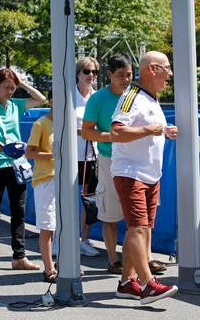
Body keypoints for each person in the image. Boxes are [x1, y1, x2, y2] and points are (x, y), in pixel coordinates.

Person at [110, 51, 178, 305]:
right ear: (152, 69)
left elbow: (149, 131)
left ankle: (127, 282)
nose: (170, 73)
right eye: (167, 68)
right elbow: (116, 132)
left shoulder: (152, 99)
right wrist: (151, 129)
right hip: (131, 173)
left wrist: (165, 131)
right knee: (139, 228)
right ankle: (148, 284)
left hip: (149, 175)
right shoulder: (132, 97)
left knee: (139, 229)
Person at [0, 67, 46, 270]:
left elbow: (40, 99)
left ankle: (19, 256)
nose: (10, 92)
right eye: (6, 87)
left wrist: (21, 83)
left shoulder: (15, 105)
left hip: (17, 164)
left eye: (12, 88)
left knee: (18, 211)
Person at [82, 52, 133, 274]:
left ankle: (145, 259)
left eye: (130, 74)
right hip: (109, 161)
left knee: (140, 216)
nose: (126, 79)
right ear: (110, 74)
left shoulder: (138, 96)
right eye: (121, 75)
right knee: (109, 214)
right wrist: (111, 137)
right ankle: (113, 259)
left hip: (137, 161)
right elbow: (86, 131)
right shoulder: (98, 99)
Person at [25, 91, 57, 282]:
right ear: (52, 101)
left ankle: (67, 265)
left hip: (63, 181)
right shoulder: (41, 124)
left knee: (64, 226)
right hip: (45, 179)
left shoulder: (65, 123)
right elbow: (29, 152)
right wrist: (52, 155)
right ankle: (49, 269)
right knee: (47, 227)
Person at [75, 57, 100, 257]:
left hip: (92, 156)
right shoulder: (68, 96)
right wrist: (84, 131)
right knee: (63, 198)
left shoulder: (98, 97)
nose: (90, 75)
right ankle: (60, 238)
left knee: (89, 200)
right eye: (86, 71)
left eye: (94, 72)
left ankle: (84, 240)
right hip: (70, 155)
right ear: (78, 73)